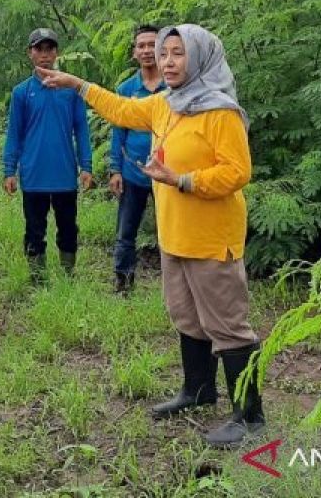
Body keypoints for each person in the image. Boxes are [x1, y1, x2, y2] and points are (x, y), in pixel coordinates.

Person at [36, 24, 265, 449]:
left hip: (212, 238)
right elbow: (122, 110)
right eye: (165, 53)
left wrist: (180, 179)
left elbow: (237, 173)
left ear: (199, 57)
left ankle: (250, 416)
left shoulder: (221, 112)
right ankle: (198, 391)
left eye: (178, 53)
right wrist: (77, 84)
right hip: (174, 235)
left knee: (228, 326)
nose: (169, 61)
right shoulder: (165, 104)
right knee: (186, 316)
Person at [3, 28, 94, 282]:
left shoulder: (71, 90)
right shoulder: (22, 92)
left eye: (49, 49)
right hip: (33, 175)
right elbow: (14, 133)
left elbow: (82, 130)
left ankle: (68, 275)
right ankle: (37, 278)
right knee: (34, 230)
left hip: (65, 174)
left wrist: (86, 166)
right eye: (38, 49)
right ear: (30, 53)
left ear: (56, 52)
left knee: (68, 229)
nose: (44, 55)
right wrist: (9, 170)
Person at [109, 24, 166, 295]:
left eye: (152, 45)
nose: (146, 50)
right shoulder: (126, 88)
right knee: (126, 231)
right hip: (133, 172)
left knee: (170, 231)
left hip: (168, 173)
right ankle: (123, 283)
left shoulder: (174, 86)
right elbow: (118, 130)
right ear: (134, 52)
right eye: (141, 45)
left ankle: (175, 286)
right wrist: (115, 169)